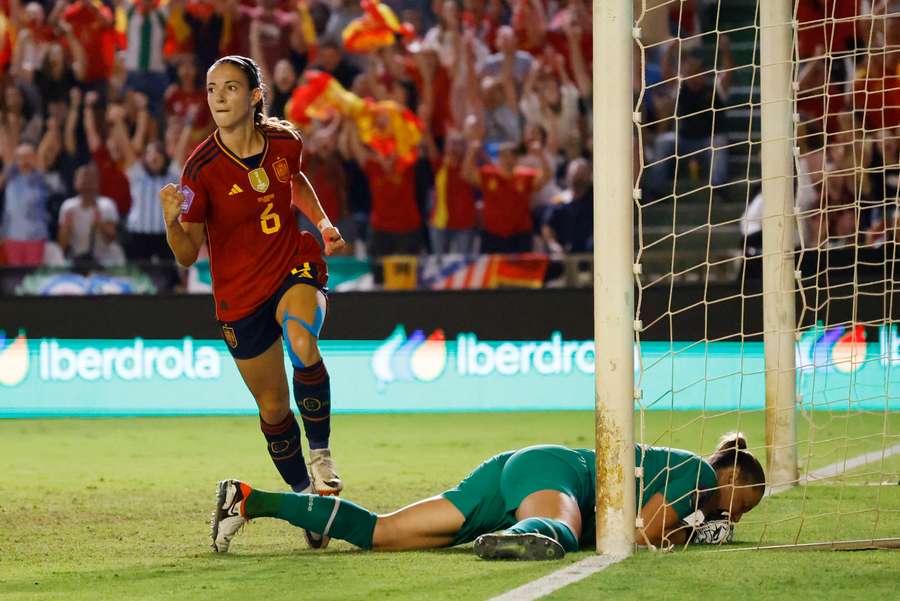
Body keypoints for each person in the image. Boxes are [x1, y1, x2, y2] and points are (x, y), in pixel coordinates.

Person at [158, 55, 347, 548]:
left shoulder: (286, 141)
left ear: (255, 95)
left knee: (302, 339)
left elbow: (295, 180)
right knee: (273, 407)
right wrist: (170, 221)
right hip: (240, 296)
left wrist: (323, 224)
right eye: (211, 89)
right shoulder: (200, 168)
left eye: (230, 88)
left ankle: (323, 457)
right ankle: (307, 499)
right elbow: (185, 256)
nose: (218, 98)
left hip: (293, 265)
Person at [211, 432, 766, 559]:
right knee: (561, 533)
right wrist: (694, 530)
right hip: (560, 474)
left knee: (380, 533)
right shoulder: (700, 475)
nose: (743, 511)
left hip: (514, 471)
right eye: (752, 498)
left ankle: (249, 499)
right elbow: (642, 530)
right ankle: (517, 535)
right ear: (736, 477)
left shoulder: (693, 479)